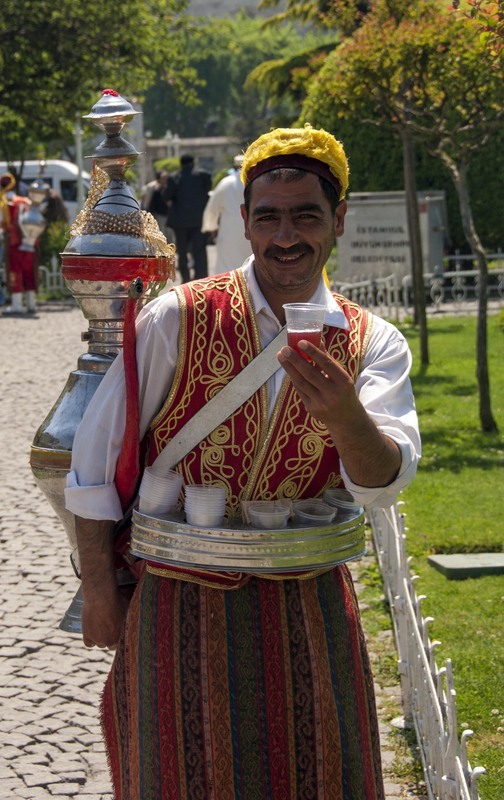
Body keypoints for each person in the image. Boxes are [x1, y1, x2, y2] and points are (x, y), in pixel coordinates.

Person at [65, 123, 421, 799]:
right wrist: (101, 596)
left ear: (338, 220)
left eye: (307, 216)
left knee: (322, 777)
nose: (287, 236)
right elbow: (93, 460)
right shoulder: (177, 318)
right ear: (245, 224)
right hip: (178, 600)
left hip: (308, 602)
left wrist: (346, 418)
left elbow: (381, 485)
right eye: (269, 218)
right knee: (181, 776)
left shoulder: (372, 342)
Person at [162, 153, 212, 282]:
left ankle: (185, 279)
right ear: (193, 162)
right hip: (199, 220)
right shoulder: (203, 176)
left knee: (182, 252)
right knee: (200, 251)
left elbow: (166, 196)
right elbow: (208, 190)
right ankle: (201, 278)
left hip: (180, 222)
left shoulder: (175, 178)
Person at [202, 154, 252, 272]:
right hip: (252, 226)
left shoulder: (226, 183)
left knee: (228, 264)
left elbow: (213, 207)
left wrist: (211, 226)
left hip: (230, 229)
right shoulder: (255, 181)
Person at [0, 172, 39, 315]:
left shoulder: (3, 203)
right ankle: (31, 303)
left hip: (13, 243)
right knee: (29, 271)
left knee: (15, 272)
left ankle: (17, 305)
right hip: (29, 241)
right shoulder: (25, 201)